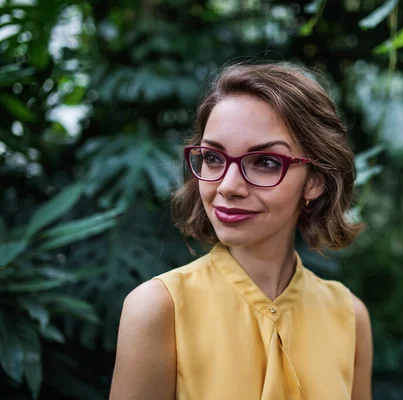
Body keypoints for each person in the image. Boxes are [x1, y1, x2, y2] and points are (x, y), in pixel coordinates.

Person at [109, 63, 373, 399]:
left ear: (315, 181)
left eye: (264, 162)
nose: (228, 186)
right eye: (213, 157)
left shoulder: (349, 317)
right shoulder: (159, 309)